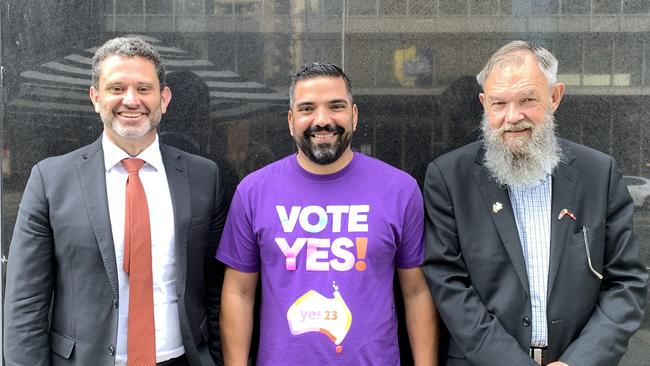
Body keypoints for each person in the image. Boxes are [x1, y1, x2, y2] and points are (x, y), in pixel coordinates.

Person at [3, 37, 227, 366]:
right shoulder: (50, 180)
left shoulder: (204, 176)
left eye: (144, 88)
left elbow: (218, 286)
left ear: (164, 99)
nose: (131, 100)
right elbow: (25, 303)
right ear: (96, 97)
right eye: (117, 88)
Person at [423, 40, 648, 366]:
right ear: (484, 104)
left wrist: (579, 362)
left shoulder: (599, 173)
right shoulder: (448, 178)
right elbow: (449, 285)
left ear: (555, 97)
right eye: (499, 103)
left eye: (527, 99)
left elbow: (626, 283)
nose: (512, 117)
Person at [217, 62, 438, 365]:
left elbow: (416, 292)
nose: (322, 120)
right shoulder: (253, 191)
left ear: (354, 115)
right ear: (291, 121)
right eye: (307, 109)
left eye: (336, 106)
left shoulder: (399, 189)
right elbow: (239, 293)